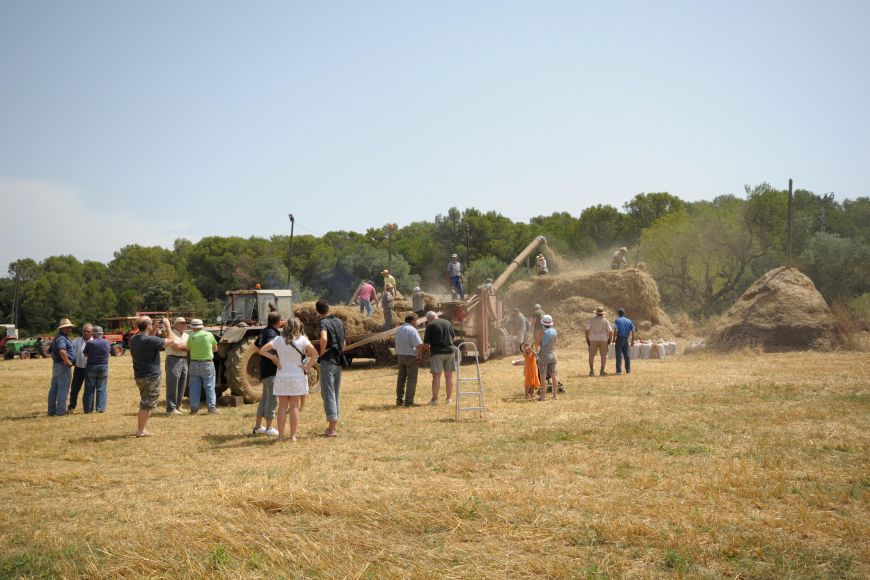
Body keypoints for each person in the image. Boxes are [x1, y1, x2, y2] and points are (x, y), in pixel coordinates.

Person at [258, 317, 317, 443]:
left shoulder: (278, 339)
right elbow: (315, 353)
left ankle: (280, 437)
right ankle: (292, 436)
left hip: (281, 375)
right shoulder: (302, 340)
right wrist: (307, 366)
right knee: (295, 406)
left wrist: (274, 359)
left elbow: (262, 350)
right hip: (297, 375)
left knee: (282, 407)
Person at [129, 316, 178, 437]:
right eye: (151, 324)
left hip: (140, 375)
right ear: (148, 326)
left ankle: (143, 429)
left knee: (146, 402)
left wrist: (155, 328)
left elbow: (148, 338)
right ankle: (140, 431)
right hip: (151, 377)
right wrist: (168, 326)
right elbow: (171, 341)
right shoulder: (150, 340)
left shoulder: (134, 339)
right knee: (146, 405)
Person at [316, 299, 345, 437]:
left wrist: (322, 352)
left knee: (328, 393)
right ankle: (334, 425)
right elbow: (344, 342)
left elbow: (324, 338)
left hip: (328, 361)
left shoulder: (323, 322)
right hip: (339, 361)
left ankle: (332, 429)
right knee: (335, 392)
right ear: (329, 308)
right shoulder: (339, 322)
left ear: (318, 311)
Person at [252, 311, 282, 436]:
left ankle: (258, 426)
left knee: (264, 398)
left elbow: (257, 345)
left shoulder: (264, 331)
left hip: (264, 369)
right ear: (278, 321)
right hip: (271, 370)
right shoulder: (272, 333)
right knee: (273, 399)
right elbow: (264, 349)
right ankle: (269, 428)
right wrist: (274, 358)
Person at [423, 311, 456, 405]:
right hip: (450, 352)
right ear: (436, 316)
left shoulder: (430, 326)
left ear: (428, 319)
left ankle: (435, 400)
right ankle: (449, 399)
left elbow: (426, 344)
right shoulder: (447, 322)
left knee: (436, 376)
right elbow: (454, 339)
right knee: (449, 376)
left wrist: (429, 350)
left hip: (437, 353)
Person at [186, 319, 219, 414]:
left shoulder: (191, 337)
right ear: (202, 326)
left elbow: (189, 349)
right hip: (207, 363)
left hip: (194, 364)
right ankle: (211, 408)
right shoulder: (209, 335)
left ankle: (194, 409)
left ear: (192, 327)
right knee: (209, 386)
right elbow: (216, 349)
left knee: (194, 387)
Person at [48, 318, 75, 416]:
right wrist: (67, 362)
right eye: (66, 328)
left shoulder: (57, 337)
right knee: (63, 389)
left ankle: (51, 411)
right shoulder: (62, 338)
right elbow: (62, 351)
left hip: (57, 366)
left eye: (69, 328)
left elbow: (49, 350)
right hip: (63, 367)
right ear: (61, 329)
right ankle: (60, 412)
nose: (69, 329)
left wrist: (56, 360)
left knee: (54, 389)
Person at [395, 313, 424, 407]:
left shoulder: (399, 329)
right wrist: (419, 354)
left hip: (400, 356)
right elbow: (419, 344)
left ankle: (399, 400)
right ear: (412, 321)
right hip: (411, 356)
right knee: (411, 379)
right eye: (416, 321)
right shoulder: (412, 330)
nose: (417, 323)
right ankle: (409, 402)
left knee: (401, 379)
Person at [82, 326, 111, 413]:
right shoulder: (107, 342)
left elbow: (85, 354)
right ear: (101, 334)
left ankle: (88, 409)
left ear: (93, 334)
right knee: (101, 388)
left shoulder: (90, 343)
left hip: (92, 366)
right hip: (103, 366)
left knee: (89, 388)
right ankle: (100, 409)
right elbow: (108, 352)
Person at [164, 317, 189, 415]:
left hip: (184, 360)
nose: (184, 325)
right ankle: (171, 408)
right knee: (172, 384)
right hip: (173, 360)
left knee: (182, 384)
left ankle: (178, 406)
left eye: (185, 323)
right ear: (175, 325)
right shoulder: (170, 334)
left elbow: (189, 347)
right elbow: (176, 347)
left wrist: (183, 347)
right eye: (182, 323)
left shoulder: (187, 335)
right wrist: (185, 347)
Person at [68, 323, 93, 413]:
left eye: (88, 331)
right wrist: (71, 361)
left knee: (89, 390)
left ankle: (88, 408)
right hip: (78, 368)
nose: (86, 332)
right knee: (74, 389)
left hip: (90, 369)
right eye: (84, 331)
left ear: (92, 332)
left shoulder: (94, 341)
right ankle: (71, 407)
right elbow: (71, 353)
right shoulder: (76, 341)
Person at [585, 307, 614, 376]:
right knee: (603, 355)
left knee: (591, 355)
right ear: (602, 313)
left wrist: (587, 339)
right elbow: (610, 331)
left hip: (593, 339)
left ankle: (591, 371)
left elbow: (586, 330)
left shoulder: (591, 320)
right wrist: (609, 340)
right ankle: (602, 371)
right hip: (603, 339)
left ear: (596, 313)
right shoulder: (606, 321)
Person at [537, 315, 559, 399]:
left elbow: (537, 343)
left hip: (543, 356)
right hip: (552, 355)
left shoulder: (543, 332)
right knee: (554, 375)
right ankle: (555, 395)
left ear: (543, 324)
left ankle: (543, 396)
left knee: (543, 376)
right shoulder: (554, 331)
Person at [613, 308, 637, 375]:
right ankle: (628, 370)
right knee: (627, 355)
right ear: (624, 313)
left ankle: (618, 371)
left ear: (618, 314)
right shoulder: (629, 321)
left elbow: (616, 330)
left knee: (618, 355)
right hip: (626, 339)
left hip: (619, 339)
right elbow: (633, 330)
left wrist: (613, 338)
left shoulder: (617, 321)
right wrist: (632, 340)